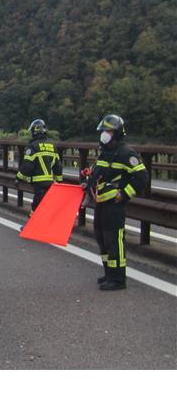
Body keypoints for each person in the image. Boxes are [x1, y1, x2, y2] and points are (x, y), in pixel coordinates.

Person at [81, 114, 148, 291]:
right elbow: (97, 175)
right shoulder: (104, 153)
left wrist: (124, 194)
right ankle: (109, 273)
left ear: (117, 133)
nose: (104, 134)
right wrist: (88, 183)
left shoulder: (126, 153)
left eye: (108, 131)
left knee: (113, 240)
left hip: (114, 205)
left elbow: (142, 178)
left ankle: (118, 279)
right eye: (103, 131)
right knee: (101, 238)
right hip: (101, 203)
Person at [15, 118, 63, 213]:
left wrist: (18, 178)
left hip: (38, 183)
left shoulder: (33, 146)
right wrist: (59, 181)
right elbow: (58, 166)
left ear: (35, 131)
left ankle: (34, 222)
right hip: (50, 183)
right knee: (47, 207)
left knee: (36, 208)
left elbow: (27, 165)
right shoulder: (52, 146)